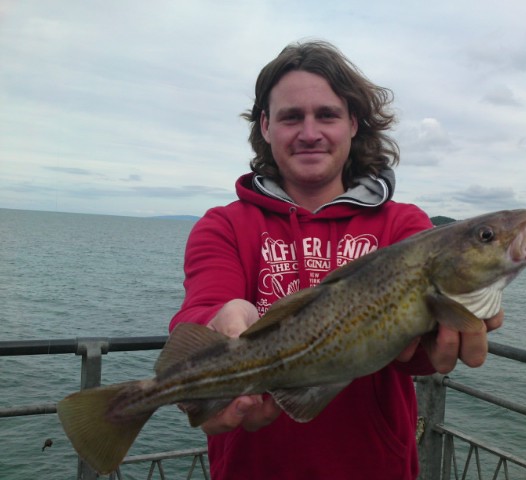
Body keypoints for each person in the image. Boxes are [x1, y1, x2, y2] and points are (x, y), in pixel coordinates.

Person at [170, 40, 503, 480]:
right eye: (292, 117)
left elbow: (418, 356)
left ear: (353, 124)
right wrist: (219, 320)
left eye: (327, 114)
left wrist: (449, 331)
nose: (310, 132)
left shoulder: (405, 227)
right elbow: (201, 308)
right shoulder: (223, 225)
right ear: (266, 127)